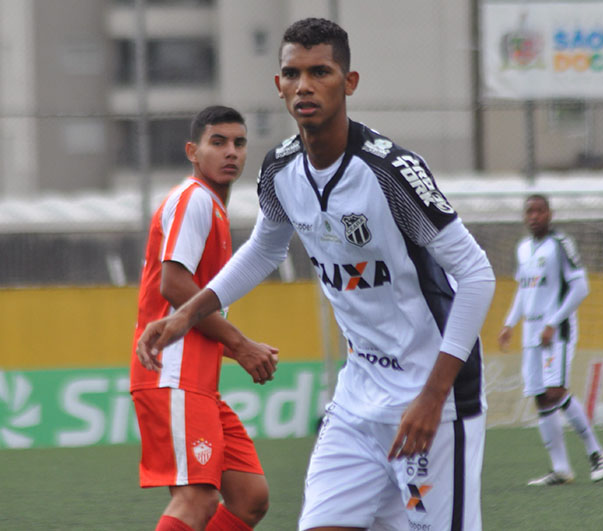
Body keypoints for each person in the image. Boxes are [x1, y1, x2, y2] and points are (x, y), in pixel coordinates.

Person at [136, 17, 495, 531]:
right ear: (278, 86)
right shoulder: (280, 170)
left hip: (430, 402)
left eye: (320, 72)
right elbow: (264, 249)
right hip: (357, 398)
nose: (304, 85)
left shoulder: (390, 172)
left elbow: (477, 275)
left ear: (349, 83)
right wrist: (185, 317)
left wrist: (433, 396)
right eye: (292, 73)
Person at [130, 105, 279, 531]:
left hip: (197, 382)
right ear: (193, 151)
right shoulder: (194, 199)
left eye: (239, 142)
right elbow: (174, 286)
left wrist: (236, 346)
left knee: (250, 498)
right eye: (218, 142)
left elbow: (190, 302)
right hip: (171, 375)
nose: (231, 151)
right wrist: (239, 344)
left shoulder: (212, 207)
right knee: (196, 498)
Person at [498, 194, 603, 486]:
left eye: (539, 211)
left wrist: (552, 322)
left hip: (555, 331)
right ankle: (560, 469)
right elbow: (524, 290)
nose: (533, 216)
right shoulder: (522, 249)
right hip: (530, 331)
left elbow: (581, 288)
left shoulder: (561, 245)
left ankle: (596, 452)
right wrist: (510, 323)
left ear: (550, 214)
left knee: (556, 391)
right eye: (529, 212)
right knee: (540, 396)